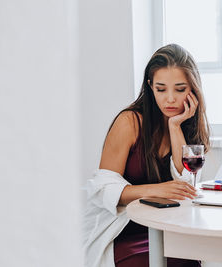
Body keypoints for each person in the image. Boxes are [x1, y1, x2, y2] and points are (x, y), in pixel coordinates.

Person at [83, 44, 210, 267]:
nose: (170, 99)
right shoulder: (129, 122)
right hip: (123, 230)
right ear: (150, 87)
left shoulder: (184, 125)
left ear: (192, 89)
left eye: (180, 89)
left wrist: (174, 126)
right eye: (161, 89)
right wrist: (156, 189)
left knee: (190, 258)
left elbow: (185, 185)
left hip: (164, 229)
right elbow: (102, 189)